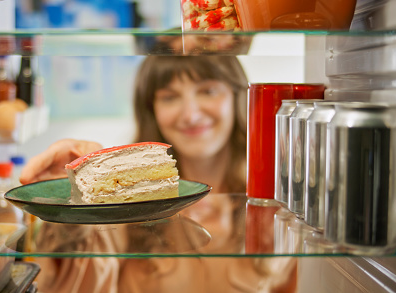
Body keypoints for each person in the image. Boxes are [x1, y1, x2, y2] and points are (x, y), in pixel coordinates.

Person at [18, 56, 296, 293]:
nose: (190, 114)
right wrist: (71, 201)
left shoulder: (279, 205)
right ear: (151, 109)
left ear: (238, 97)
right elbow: (59, 283)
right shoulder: (122, 206)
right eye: (170, 97)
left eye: (208, 91)